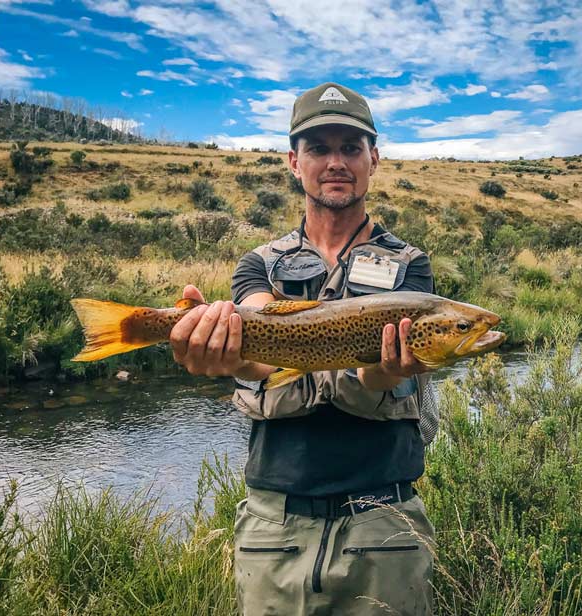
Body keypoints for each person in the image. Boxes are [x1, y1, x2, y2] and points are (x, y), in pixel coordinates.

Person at [169, 82, 437, 615]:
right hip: (275, 527)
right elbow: (268, 339)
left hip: (385, 521)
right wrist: (225, 355)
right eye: (319, 148)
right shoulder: (259, 264)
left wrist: (383, 375)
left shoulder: (410, 267)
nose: (335, 162)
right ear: (295, 162)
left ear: (373, 159)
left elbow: (397, 378)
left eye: (350, 147)